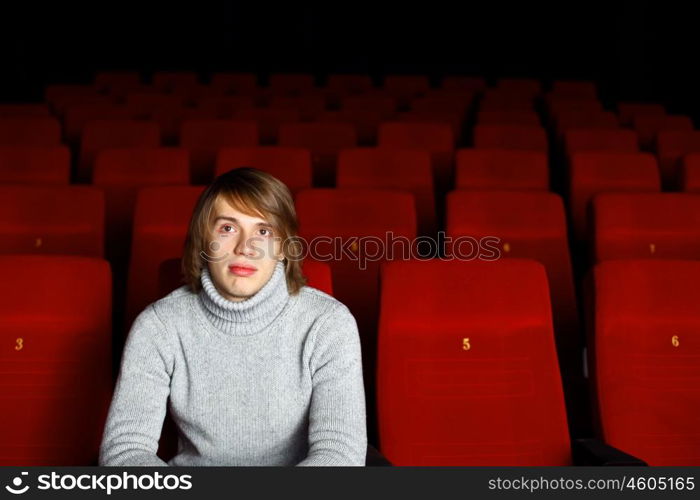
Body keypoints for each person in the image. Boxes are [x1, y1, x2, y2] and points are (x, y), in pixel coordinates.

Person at [99, 167, 367, 466]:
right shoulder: (159, 326)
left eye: (263, 231)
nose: (245, 248)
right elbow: (125, 450)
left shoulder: (328, 323)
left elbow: (339, 453)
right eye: (228, 228)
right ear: (204, 240)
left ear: (282, 247)